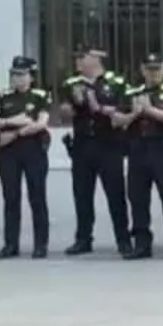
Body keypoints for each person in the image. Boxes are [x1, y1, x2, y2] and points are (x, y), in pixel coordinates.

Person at [60, 48, 132, 257]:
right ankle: (83, 239)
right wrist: (74, 104)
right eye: (77, 57)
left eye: (82, 57)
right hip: (83, 145)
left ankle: (123, 240)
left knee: (115, 194)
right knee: (82, 194)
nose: (78, 62)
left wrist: (101, 106)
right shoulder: (71, 83)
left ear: (96, 59)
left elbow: (123, 109)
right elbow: (65, 112)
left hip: (109, 144)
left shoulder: (116, 82)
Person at [116, 52, 163, 262]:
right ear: (142, 70)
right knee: (137, 199)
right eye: (149, 69)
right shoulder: (132, 92)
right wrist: (134, 114)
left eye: (157, 69)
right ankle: (142, 244)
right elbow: (116, 120)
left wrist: (151, 110)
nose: (153, 73)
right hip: (138, 150)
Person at [0, 56, 50, 259]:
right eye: (14, 74)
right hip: (9, 154)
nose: (17, 79)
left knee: (36, 197)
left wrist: (14, 133)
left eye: (22, 75)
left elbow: (40, 123)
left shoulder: (40, 95)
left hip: (33, 151)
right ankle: (11, 244)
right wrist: (15, 121)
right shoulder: (3, 97)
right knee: (11, 198)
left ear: (31, 76)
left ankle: (40, 244)